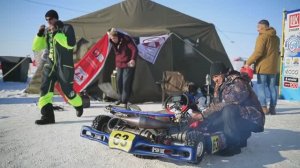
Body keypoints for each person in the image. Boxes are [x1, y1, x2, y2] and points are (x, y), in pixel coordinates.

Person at [191, 62, 265, 156]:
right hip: (239, 116)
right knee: (211, 124)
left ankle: (234, 145)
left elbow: (226, 103)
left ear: (223, 73)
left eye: (216, 76)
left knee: (228, 110)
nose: (214, 80)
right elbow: (215, 105)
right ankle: (241, 137)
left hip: (252, 119)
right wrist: (204, 118)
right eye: (213, 77)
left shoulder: (238, 82)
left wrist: (202, 115)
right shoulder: (219, 85)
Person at [32, 10, 83, 125]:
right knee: (45, 90)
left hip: (65, 66)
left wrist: (57, 33)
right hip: (50, 65)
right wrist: (39, 35)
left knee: (67, 91)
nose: (48, 21)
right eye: (46, 20)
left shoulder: (66, 27)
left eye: (50, 19)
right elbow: (37, 47)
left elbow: (70, 44)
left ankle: (79, 105)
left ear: (56, 18)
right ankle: (47, 116)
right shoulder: (47, 31)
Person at [244, 19, 280, 115]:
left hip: (263, 67)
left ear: (264, 27)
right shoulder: (276, 38)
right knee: (272, 87)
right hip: (273, 67)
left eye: (258, 27)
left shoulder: (262, 37)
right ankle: (272, 108)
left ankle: (264, 108)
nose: (257, 29)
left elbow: (258, 52)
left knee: (261, 87)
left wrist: (248, 62)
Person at [107, 28, 137, 108]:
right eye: (112, 39)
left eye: (115, 38)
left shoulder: (126, 39)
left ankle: (125, 101)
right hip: (119, 64)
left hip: (127, 64)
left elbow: (134, 49)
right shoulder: (112, 42)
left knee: (125, 83)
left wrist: (132, 59)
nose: (113, 40)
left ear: (118, 37)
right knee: (118, 82)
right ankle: (120, 99)